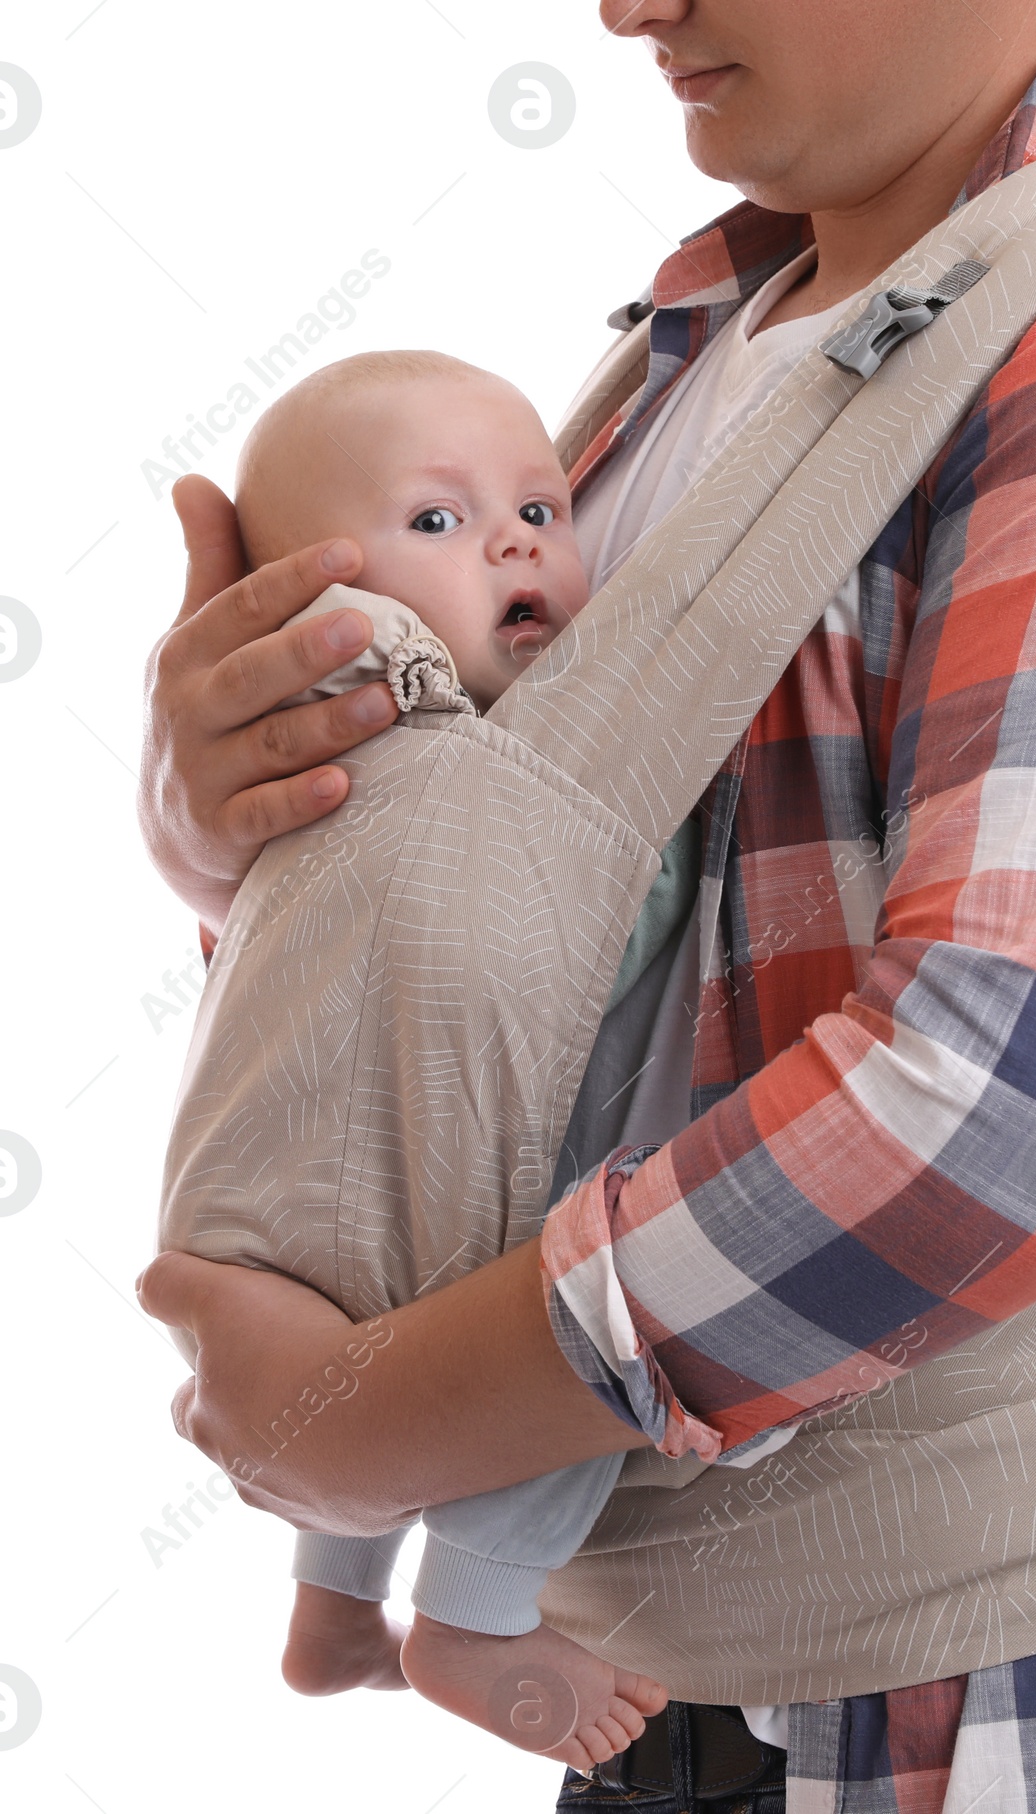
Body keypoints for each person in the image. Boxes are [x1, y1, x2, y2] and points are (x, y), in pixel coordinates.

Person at [136, 2, 1036, 1807]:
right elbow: (552, 962)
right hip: (684, 1707)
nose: (626, 5)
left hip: (1032, 1711)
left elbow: (992, 1105)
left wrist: (368, 1418)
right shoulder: (710, 350)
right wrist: (231, 832)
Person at [164, 347, 673, 1770]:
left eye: (542, 507)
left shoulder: (310, 758)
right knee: (587, 1332)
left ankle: (334, 1610)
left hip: (274, 1204)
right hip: (437, 1189)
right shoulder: (399, 713)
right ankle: (477, 1620)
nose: (518, 540)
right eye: (438, 523)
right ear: (318, 607)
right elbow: (588, 939)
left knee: (354, 1366)